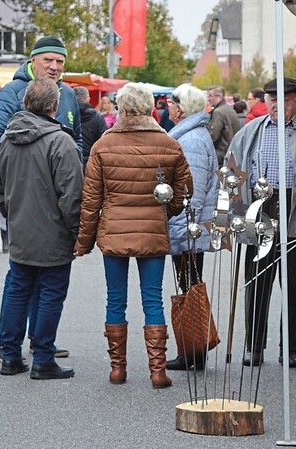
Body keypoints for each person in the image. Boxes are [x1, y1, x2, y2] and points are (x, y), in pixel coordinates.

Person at [74, 83, 192, 389]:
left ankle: (117, 368)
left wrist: (83, 242)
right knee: (152, 299)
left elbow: (91, 200)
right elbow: (182, 193)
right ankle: (157, 371)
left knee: (116, 300)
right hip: (152, 230)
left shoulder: (103, 146)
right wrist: (166, 211)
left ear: (121, 110)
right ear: (151, 108)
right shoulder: (169, 145)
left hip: (114, 231)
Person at [0, 36, 81, 361]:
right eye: (48, 60)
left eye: (59, 62)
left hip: (48, 201)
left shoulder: (67, 95)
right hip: (28, 203)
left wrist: (71, 162)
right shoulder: (12, 92)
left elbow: (76, 141)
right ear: (33, 60)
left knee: (31, 280)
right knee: (29, 281)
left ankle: (39, 344)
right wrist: (18, 183)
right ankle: (17, 348)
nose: (54, 67)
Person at [226, 77, 296, 368]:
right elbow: (231, 173)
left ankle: (290, 347)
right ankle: (254, 346)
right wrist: (237, 217)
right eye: (272, 99)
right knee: (257, 283)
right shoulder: (250, 132)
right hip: (260, 211)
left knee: (294, 285)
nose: (277, 104)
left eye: (284, 99)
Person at [164, 84, 220, 371]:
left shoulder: (192, 140)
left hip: (188, 226)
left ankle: (194, 350)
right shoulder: (190, 135)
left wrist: (185, 229)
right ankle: (192, 349)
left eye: (172, 103)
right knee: (189, 287)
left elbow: (192, 193)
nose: (168, 107)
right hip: (186, 225)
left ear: (181, 108)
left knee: (190, 289)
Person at [74, 86, 107, 170]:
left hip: (71, 161)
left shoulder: (68, 115)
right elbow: (104, 142)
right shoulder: (97, 117)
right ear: (88, 99)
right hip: (91, 163)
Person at [207, 86, 240, 163]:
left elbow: (213, 136)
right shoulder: (230, 109)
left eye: (210, 96)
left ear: (219, 96)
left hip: (221, 154)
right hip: (232, 152)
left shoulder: (218, 112)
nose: (208, 99)